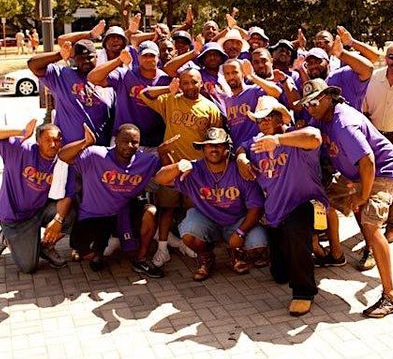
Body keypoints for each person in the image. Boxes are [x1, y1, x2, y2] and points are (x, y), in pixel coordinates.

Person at [297, 78, 393, 318]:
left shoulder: (344, 123)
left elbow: (368, 161)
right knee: (320, 201)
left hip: (380, 173)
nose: (309, 109)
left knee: (371, 226)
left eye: (312, 104)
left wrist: (363, 195)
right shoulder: (320, 118)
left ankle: (390, 296)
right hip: (353, 173)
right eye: (306, 105)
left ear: (326, 99)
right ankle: (336, 254)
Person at [236, 96, 327, 316]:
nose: (264, 122)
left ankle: (304, 293)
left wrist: (278, 140)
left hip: (306, 204)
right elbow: (241, 147)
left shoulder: (295, 138)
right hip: (276, 211)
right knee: (279, 274)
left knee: (297, 234)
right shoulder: (256, 142)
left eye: (269, 117)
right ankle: (308, 246)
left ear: (280, 118)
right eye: (260, 119)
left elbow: (315, 137)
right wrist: (241, 160)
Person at [154, 127, 268, 281]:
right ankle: (206, 256)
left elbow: (256, 207)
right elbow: (160, 179)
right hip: (207, 219)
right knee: (189, 233)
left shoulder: (239, 170)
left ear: (227, 148)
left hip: (237, 221)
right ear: (202, 149)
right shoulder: (194, 169)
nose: (213, 149)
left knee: (259, 245)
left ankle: (235, 252)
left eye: (219, 145)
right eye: (208, 145)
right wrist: (178, 166)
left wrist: (240, 232)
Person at [58, 123, 170, 276]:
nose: (129, 145)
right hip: (94, 215)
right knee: (90, 256)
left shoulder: (145, 160)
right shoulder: (95, 155)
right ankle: (102, 249)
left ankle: (141, 259)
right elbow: (63, 156)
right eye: (125, 140)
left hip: (123, 211)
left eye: (134, 142)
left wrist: (163, 154)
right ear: (115, 140)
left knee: (150, 211)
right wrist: (85, 143)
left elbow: (169, 178)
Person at [139, 69, 222, 266]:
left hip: (196, 170)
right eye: (185, 83)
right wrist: (168, 88)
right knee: (166, 209)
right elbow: (144, 94)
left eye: (194, 82)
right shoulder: (170, 100)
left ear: (201, 83)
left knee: (191, 209)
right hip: (171, 165)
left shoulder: (211, 109)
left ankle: (189, 244)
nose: (189, 87)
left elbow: (215, 140)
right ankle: (162, 248)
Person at [0, 120, 75, 273]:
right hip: (15, 218)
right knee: (29, 267)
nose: (53, 144)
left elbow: (68, 195)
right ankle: (3, 237)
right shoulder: (20, 150)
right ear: (38, 140)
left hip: (40, 210)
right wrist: (21, 131)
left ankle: (45, 246)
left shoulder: (62, 161)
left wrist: (57, 220)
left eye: (56, 140)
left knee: (72, 213)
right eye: (48, 140)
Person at [28, 39, 115, 146]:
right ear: (73, 59)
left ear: (97, 57)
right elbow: (33, 65)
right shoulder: (62, 76)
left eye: (89, 57)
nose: (86, 61)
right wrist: (59, 55)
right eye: (80, 58)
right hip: (69, 151)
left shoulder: (109, 79)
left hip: (100, 152)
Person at [87, 41, 171, 148]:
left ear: (158, 57)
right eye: (145, 56)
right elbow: (92, 78)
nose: (149, 59)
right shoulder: (125, 75)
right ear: (138, 57)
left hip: (153, 143)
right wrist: (118, 60)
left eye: (152, 55)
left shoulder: (165, 80)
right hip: (123, 139)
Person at [362, 42, 393, 258]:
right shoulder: (374, 78)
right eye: (391, 57)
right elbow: (365, 108)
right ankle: (372, 223)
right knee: (372, 178)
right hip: (375, 134)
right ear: (385, 58)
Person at [222, 59, 281, 148]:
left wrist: (252, 76)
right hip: (238, 150)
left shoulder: (254, 91)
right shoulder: (226, 100)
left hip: (257, 146)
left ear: (242, 73)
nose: (231, 77)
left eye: (235, 72)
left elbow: (277, 92)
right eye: (227, 74)